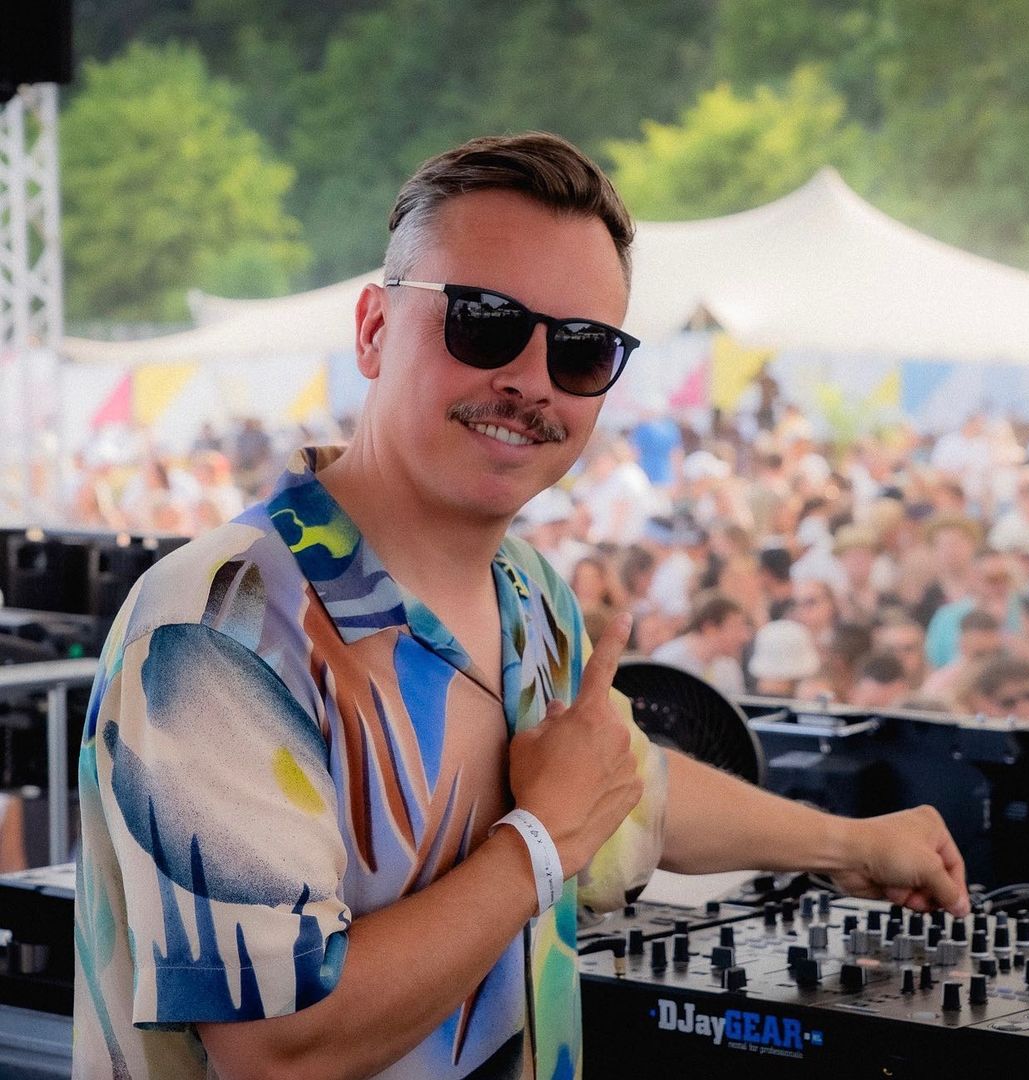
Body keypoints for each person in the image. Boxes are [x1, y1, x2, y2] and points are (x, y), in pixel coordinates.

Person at [74, 133, 968, 1080]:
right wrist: (539, 845)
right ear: (374, 328)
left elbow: (618, 788)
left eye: (582, 350)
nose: (533, 380)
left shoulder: (529, 594)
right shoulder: (221, 623)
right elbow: (277, 1047)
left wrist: (850, 845)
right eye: (484, 322)